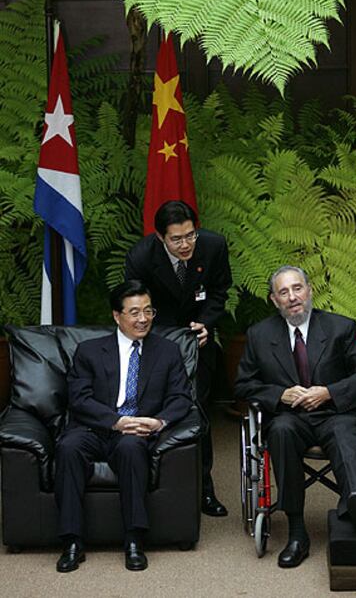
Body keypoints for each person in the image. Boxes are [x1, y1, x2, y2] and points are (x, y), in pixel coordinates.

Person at [235, 265, 356, 568]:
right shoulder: (260, 335)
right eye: (284, 292)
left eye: (297, 288)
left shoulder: (341, 328)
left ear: (309, 290)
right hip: (290, 418)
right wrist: (279, 395)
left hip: (336, 412)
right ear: (274, 300)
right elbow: (243, 385)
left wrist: (329, 391)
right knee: (281, 431)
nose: (293, 297)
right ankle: (296, 532)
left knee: (345, 433)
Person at [54, 280, 192, 572]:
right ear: (117, 316)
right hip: (94, 428)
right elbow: (79, 399)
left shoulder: (167, 351)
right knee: (67, 447)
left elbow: (181, 398)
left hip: (138, 432)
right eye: (134, 312)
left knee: (131, 448)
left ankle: (133, 540)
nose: (143, 319)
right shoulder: (89, 351)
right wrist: (116, 421)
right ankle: (72, 542)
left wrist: (158, 422)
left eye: (148, 311)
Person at [125, 200, 232, 517]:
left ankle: (204, 490)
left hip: (198, 343)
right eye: (177, 239)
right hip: (155, 342)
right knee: (152, 409)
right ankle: (152, 487)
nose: (185, 244)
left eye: (190, 235)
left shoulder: (213, 246)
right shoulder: (141, 257)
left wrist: (206, 324)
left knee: (196, 412)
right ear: (160, 237)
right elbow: (135, 307)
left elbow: (219, 290)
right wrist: (162, 340)